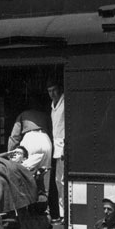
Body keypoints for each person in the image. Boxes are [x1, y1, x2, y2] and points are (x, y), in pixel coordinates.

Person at [47, 80, 65, 219]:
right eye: (49, 91)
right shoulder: (53, 106)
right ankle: (61, 214)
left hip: (63, 148)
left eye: (54, 90)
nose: (52, 94)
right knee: (58, 181)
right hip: (56, 148)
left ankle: (64, 215)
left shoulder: (64, 103)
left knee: (62, 181)